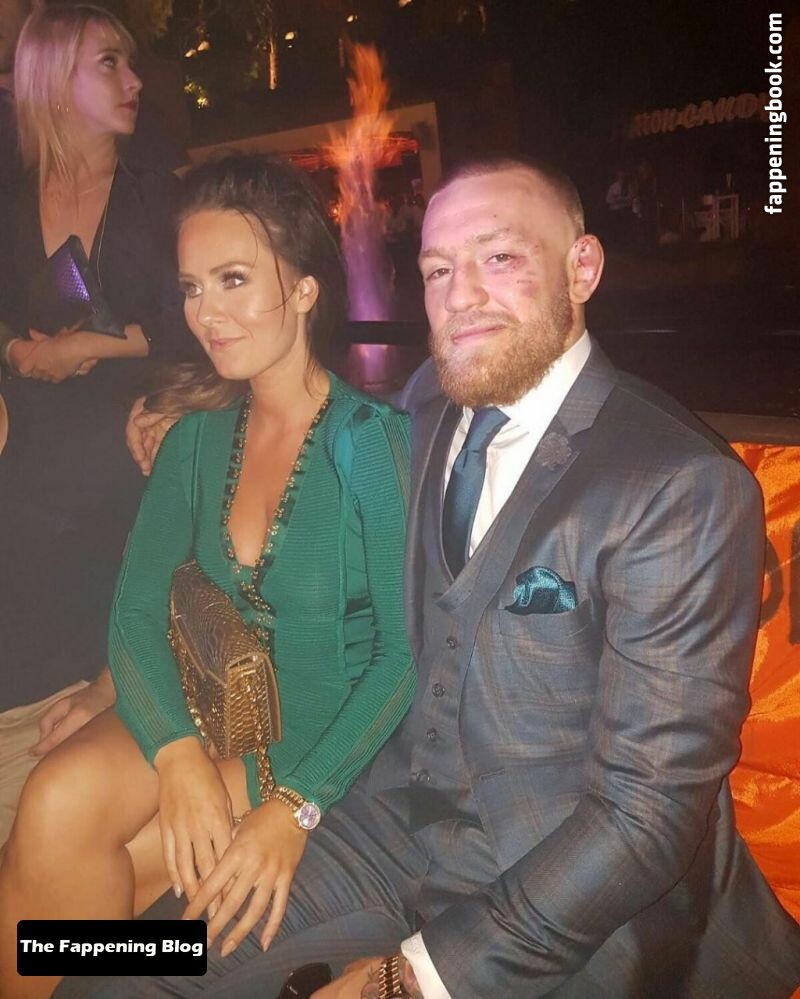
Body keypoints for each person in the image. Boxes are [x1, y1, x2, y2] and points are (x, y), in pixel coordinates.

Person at [99, 155, 800, 999]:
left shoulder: (676, 483)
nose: (461, 295)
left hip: (576, 907)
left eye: (499, 257)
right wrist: (183, 411)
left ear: (582, 268)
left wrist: (414, 978)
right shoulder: (426, 404)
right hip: (389, 832)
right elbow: (299, 464)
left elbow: (645, 818)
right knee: (114, 967)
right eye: (437, 270)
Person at [0, 151, 416, 999]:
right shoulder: (195, 438)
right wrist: (177, 755)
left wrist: (295, 803)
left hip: (312, 743)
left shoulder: (373, 442)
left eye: (233, 280)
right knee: (52, 802)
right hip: (206, 712)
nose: (206, 314)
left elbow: (404, 656)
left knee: (89, 900)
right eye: (192, 288)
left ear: (305, 288)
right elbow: (134, 612)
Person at [0, 2, 192, 847]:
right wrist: (16, 350)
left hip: (136, 409)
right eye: (109, 63)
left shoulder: (158, 193)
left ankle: (97, 680)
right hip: (33, 409)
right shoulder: (12, 198)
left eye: (130, 61)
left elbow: (198, 321)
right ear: (51, 78)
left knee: (86, 489)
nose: (135, 79)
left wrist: (95, 344)